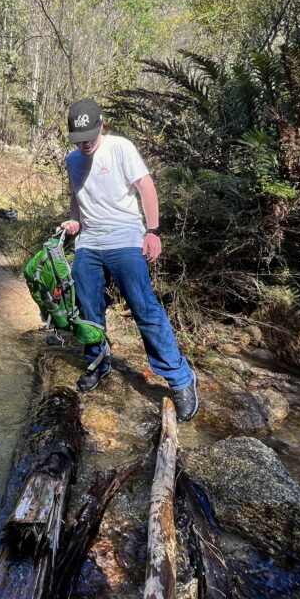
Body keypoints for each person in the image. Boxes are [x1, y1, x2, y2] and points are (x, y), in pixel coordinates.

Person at [60, 98, 200, 421]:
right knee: (88, 307)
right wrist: (73, 222)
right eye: (78, 139)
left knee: (143, 306)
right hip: (89, 242)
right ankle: (97, 360)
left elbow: (146, 188)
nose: (84, 144)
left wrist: (153, 231)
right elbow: (77, 200)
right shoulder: (72, 161)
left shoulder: (120, 148)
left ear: (101, 126)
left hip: (124, 238)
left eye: (89, 137)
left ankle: (181, 378)